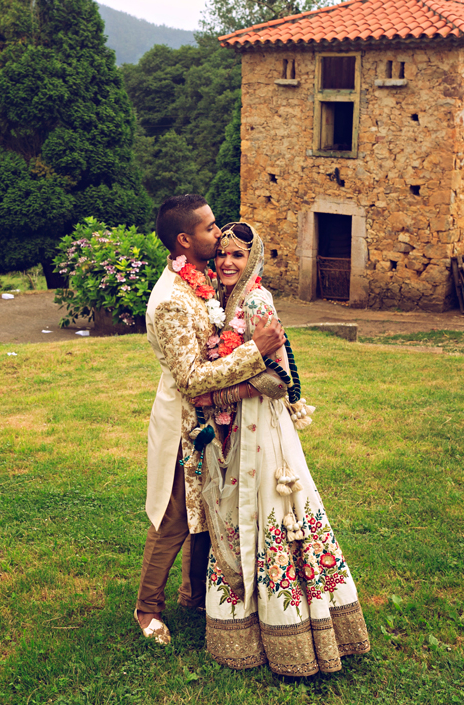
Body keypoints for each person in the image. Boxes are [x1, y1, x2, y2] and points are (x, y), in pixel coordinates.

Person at [196, 222, 371, 675]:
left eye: (237, 255)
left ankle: (286, 628)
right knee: (237, 510)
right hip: (234, 430)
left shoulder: (256, 301)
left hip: (263, 431)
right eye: (222, 255)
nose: (227, 263)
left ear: (253, 259)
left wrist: (220, 394)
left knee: (268, 511)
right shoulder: (221, 303)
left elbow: (279, 380)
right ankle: (242, 621)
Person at [136, 196, 287, 645]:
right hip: (184, 423)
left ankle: (193, 595)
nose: (218, 235)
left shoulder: (199, 276)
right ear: (185, 239)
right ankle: (147, 609)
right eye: (210, 228)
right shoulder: (170, 300)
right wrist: (253, 352)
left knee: (213, 507)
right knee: (175, 515)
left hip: (214, 415)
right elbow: (189, 377)